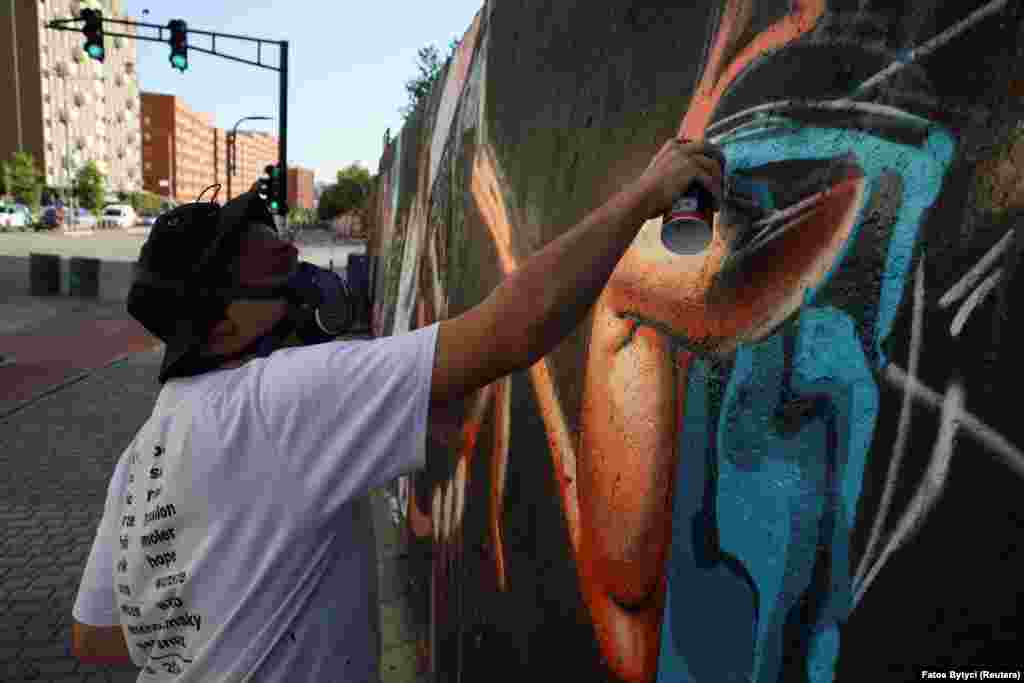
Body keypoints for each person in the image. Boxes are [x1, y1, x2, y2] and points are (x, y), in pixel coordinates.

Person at [69, 138, 725, 681]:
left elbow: (93, 635)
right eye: (268, 275)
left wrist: (212, 595)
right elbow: (511, 330)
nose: (298, 285)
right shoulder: (281, 399)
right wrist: (646, 193)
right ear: (216, 332)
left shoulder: (141, 456)